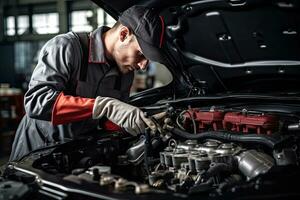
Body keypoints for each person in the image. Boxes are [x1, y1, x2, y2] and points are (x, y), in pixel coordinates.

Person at [9, 5, 165, 161]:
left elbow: (107, 123)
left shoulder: (125, 74)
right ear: (123, 34)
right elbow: (36, 102)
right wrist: (104, 106)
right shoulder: (66, 47)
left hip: (79, 156)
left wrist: (139, 122)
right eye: (140, 54)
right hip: (36, 155)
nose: (143, 65)